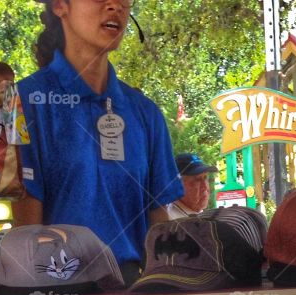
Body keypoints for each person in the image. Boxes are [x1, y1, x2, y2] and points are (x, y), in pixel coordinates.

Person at [14, 0, 184, 280]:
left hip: (134, 287)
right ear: (60, 6)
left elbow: (159, 223)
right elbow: (26, 228)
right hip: (57, 286)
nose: (115, 5)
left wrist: (165, 288)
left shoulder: (144, 112)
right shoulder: (25, 103)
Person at [165, 152, 215, 219]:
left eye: (205, 177)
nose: (205, 187)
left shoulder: (198, 214)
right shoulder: (169, 219)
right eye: (197, 179)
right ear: (177, 185)